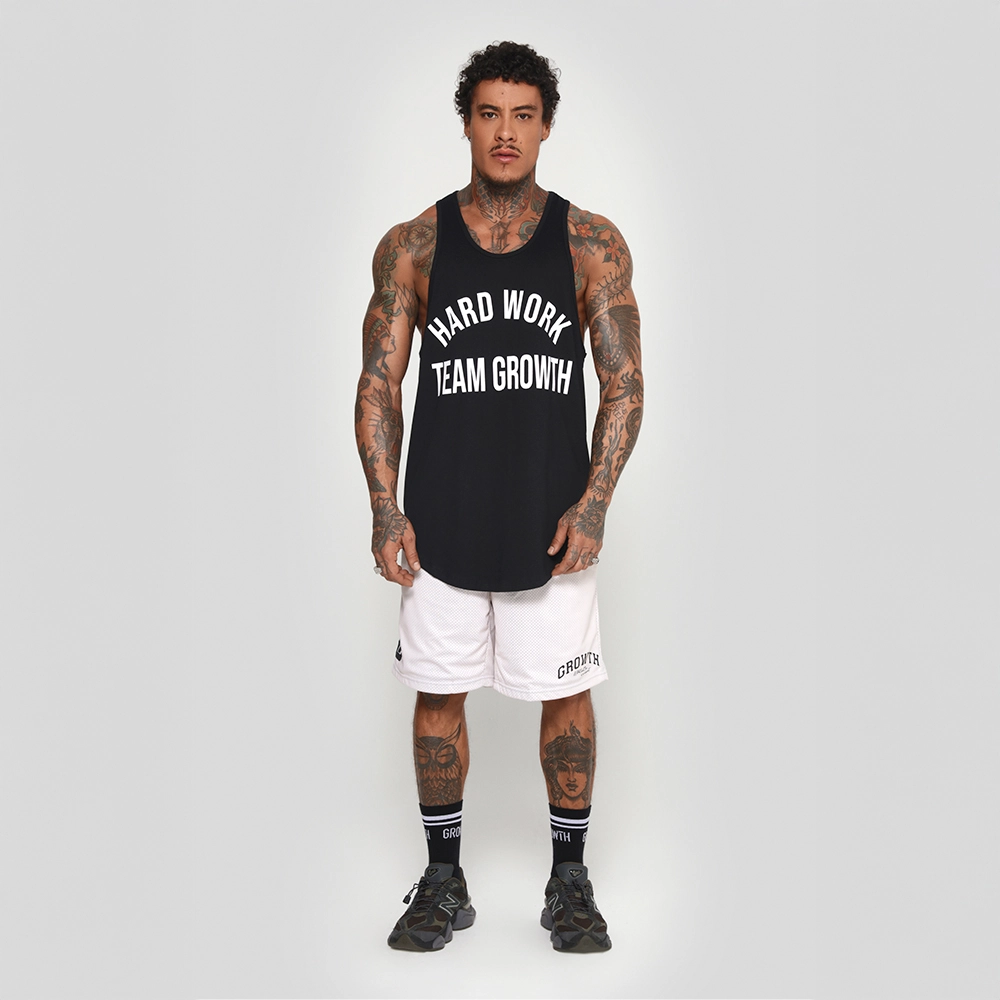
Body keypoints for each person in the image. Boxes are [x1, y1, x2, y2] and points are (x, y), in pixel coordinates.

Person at [354, 40, 643, 953]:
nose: (506, 132)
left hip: (551, 522)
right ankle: (444, 882)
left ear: (546, 127)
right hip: (439, 522)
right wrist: (385, 507)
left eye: (523, 115)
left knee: (568, 700)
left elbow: (624, 382)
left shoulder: (590, 243)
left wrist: (594, 503)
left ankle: (569, 883)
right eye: (489, 114)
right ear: (467, 124)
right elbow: (378, 384)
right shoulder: (414, 245)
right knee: (438, 698)